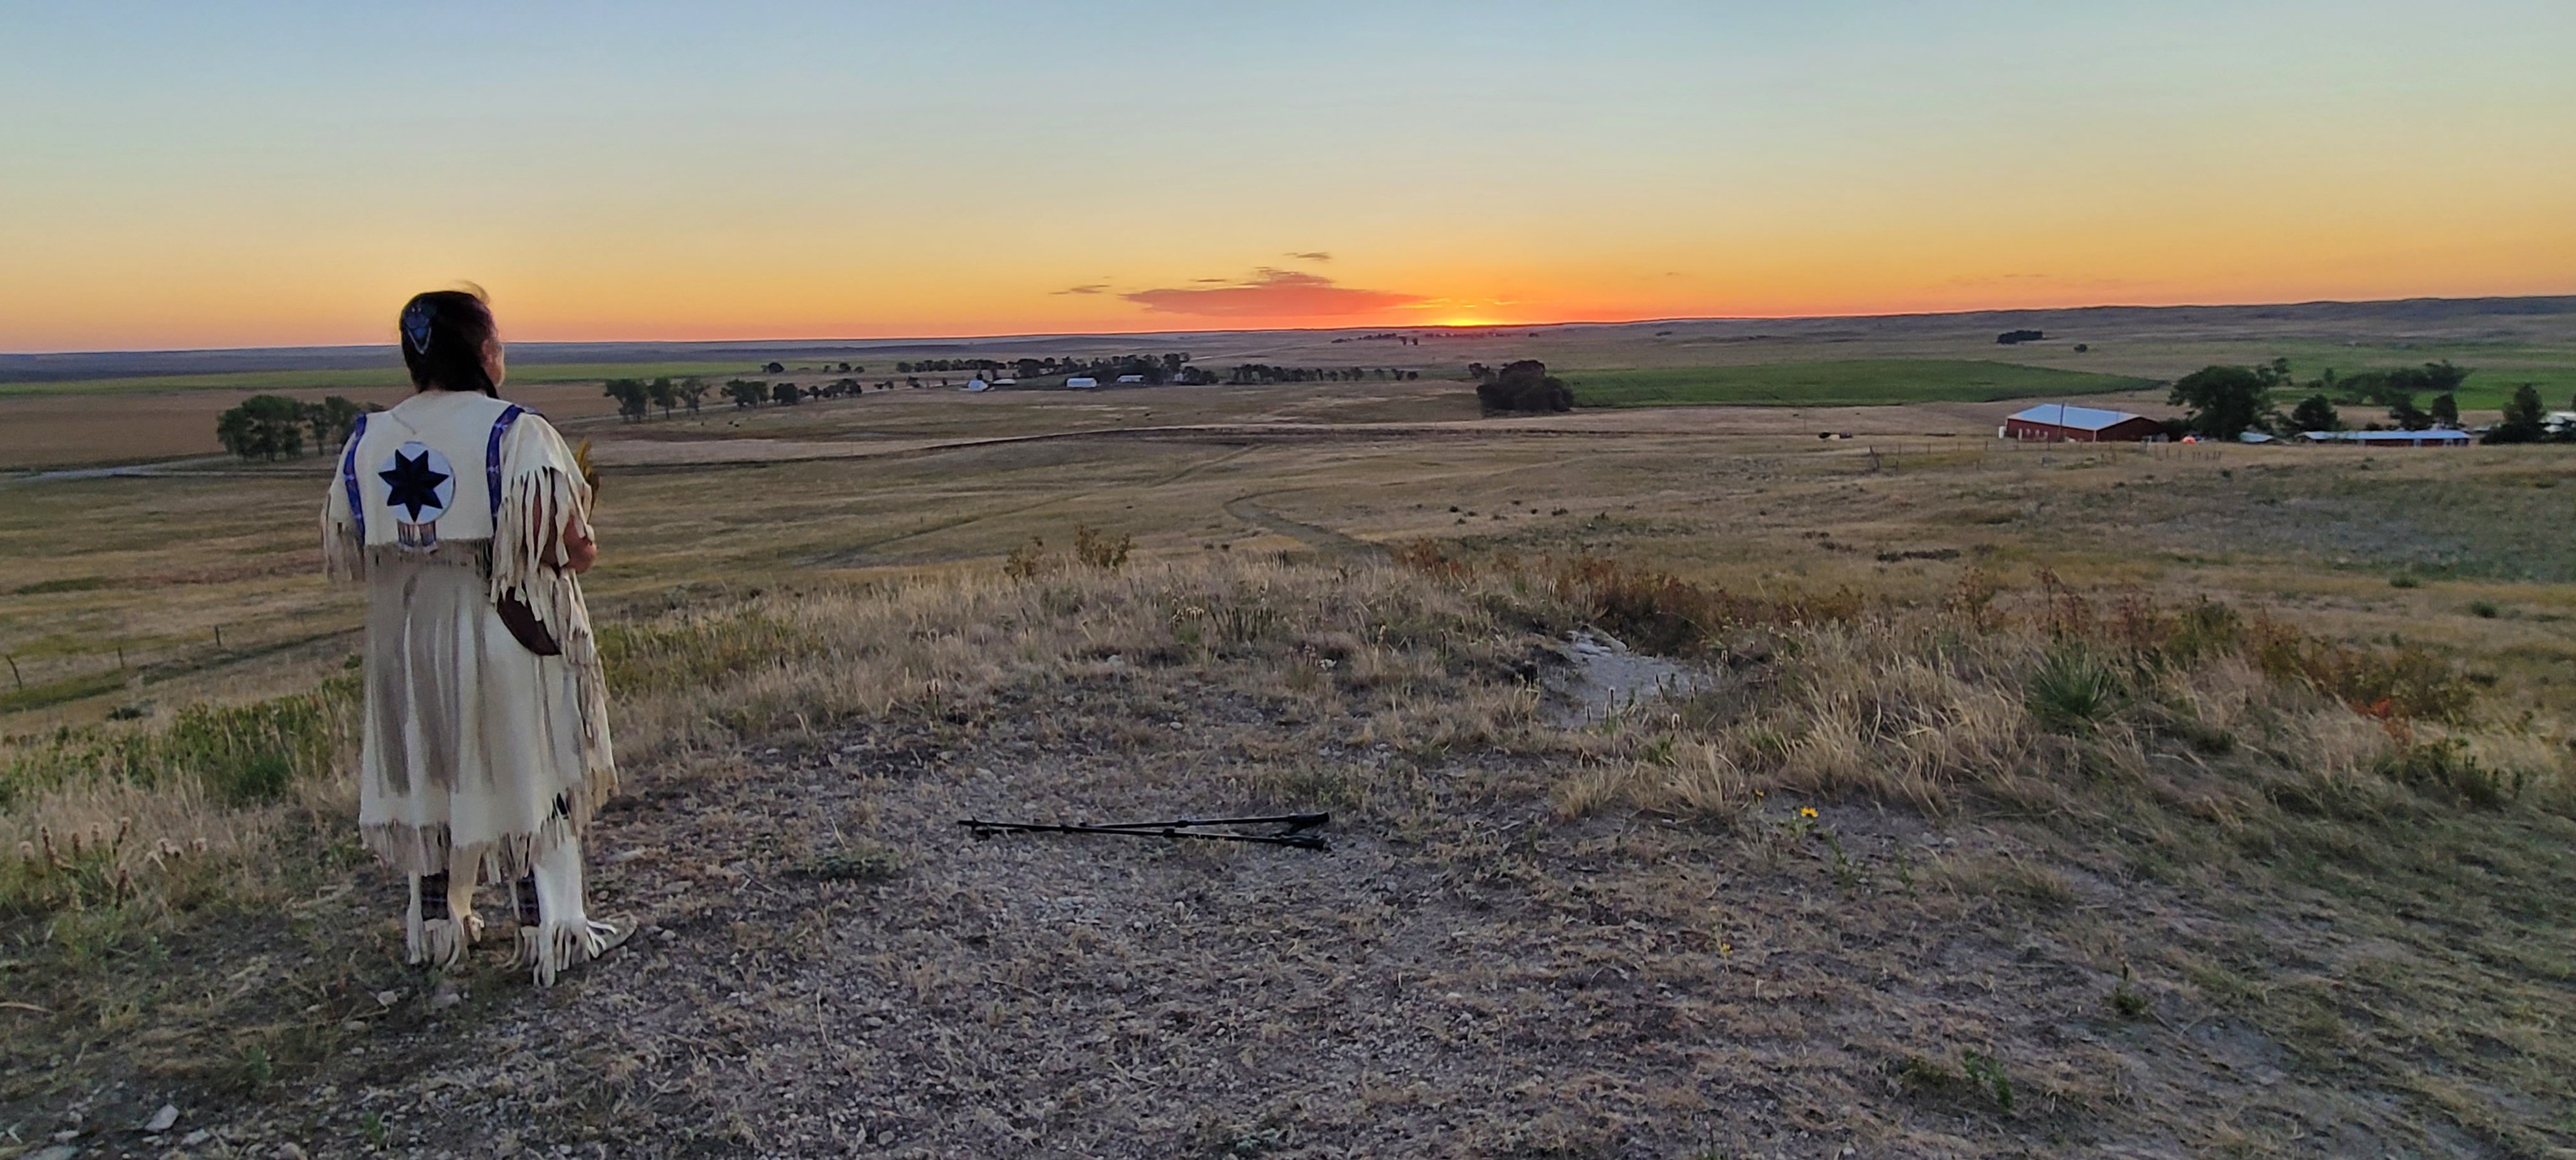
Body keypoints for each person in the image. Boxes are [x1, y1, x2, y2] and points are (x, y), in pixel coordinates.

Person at [321, 287, 626, 985]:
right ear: (485, 353)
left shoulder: (369, 438)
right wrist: (581, 544)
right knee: (527, 767)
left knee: (431, 771)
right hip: (497, 623)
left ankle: (436, 928)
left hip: (403, 634)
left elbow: (352, 536)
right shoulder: (516, 431)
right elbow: (565, 547)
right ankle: (547, 928)